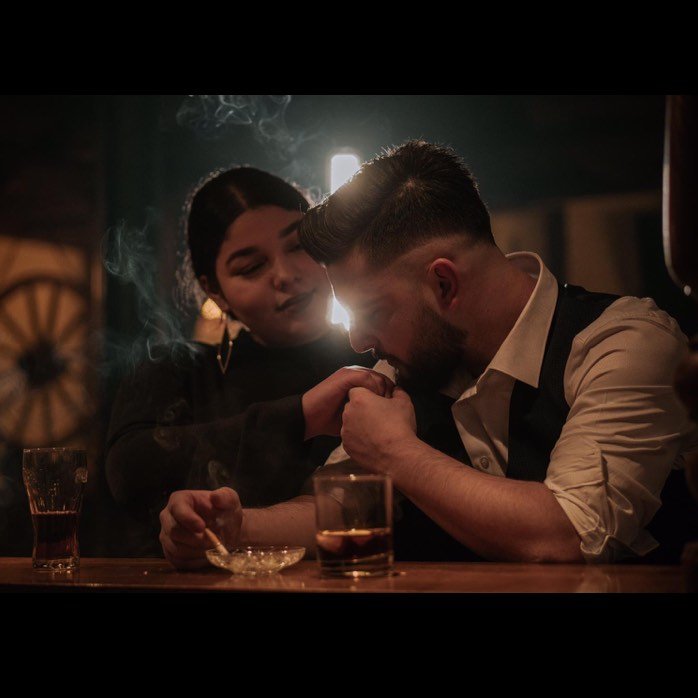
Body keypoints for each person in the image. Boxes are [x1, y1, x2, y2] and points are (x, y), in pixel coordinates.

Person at [158, 142, 698, 568]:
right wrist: (232, 529)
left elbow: (568, 533)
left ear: (443, 283)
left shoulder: (625, 343)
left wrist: (397, 453)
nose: (357, 341)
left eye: (371, 310)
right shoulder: (411, 362)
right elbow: (341, 504)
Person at [106, 167, 394, 554]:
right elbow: (129, 471)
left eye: (298, 246)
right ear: (215, 291)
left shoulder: (377, 354)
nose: (285, 275)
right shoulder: (182, 370)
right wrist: (299, 417)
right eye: (251, 267)